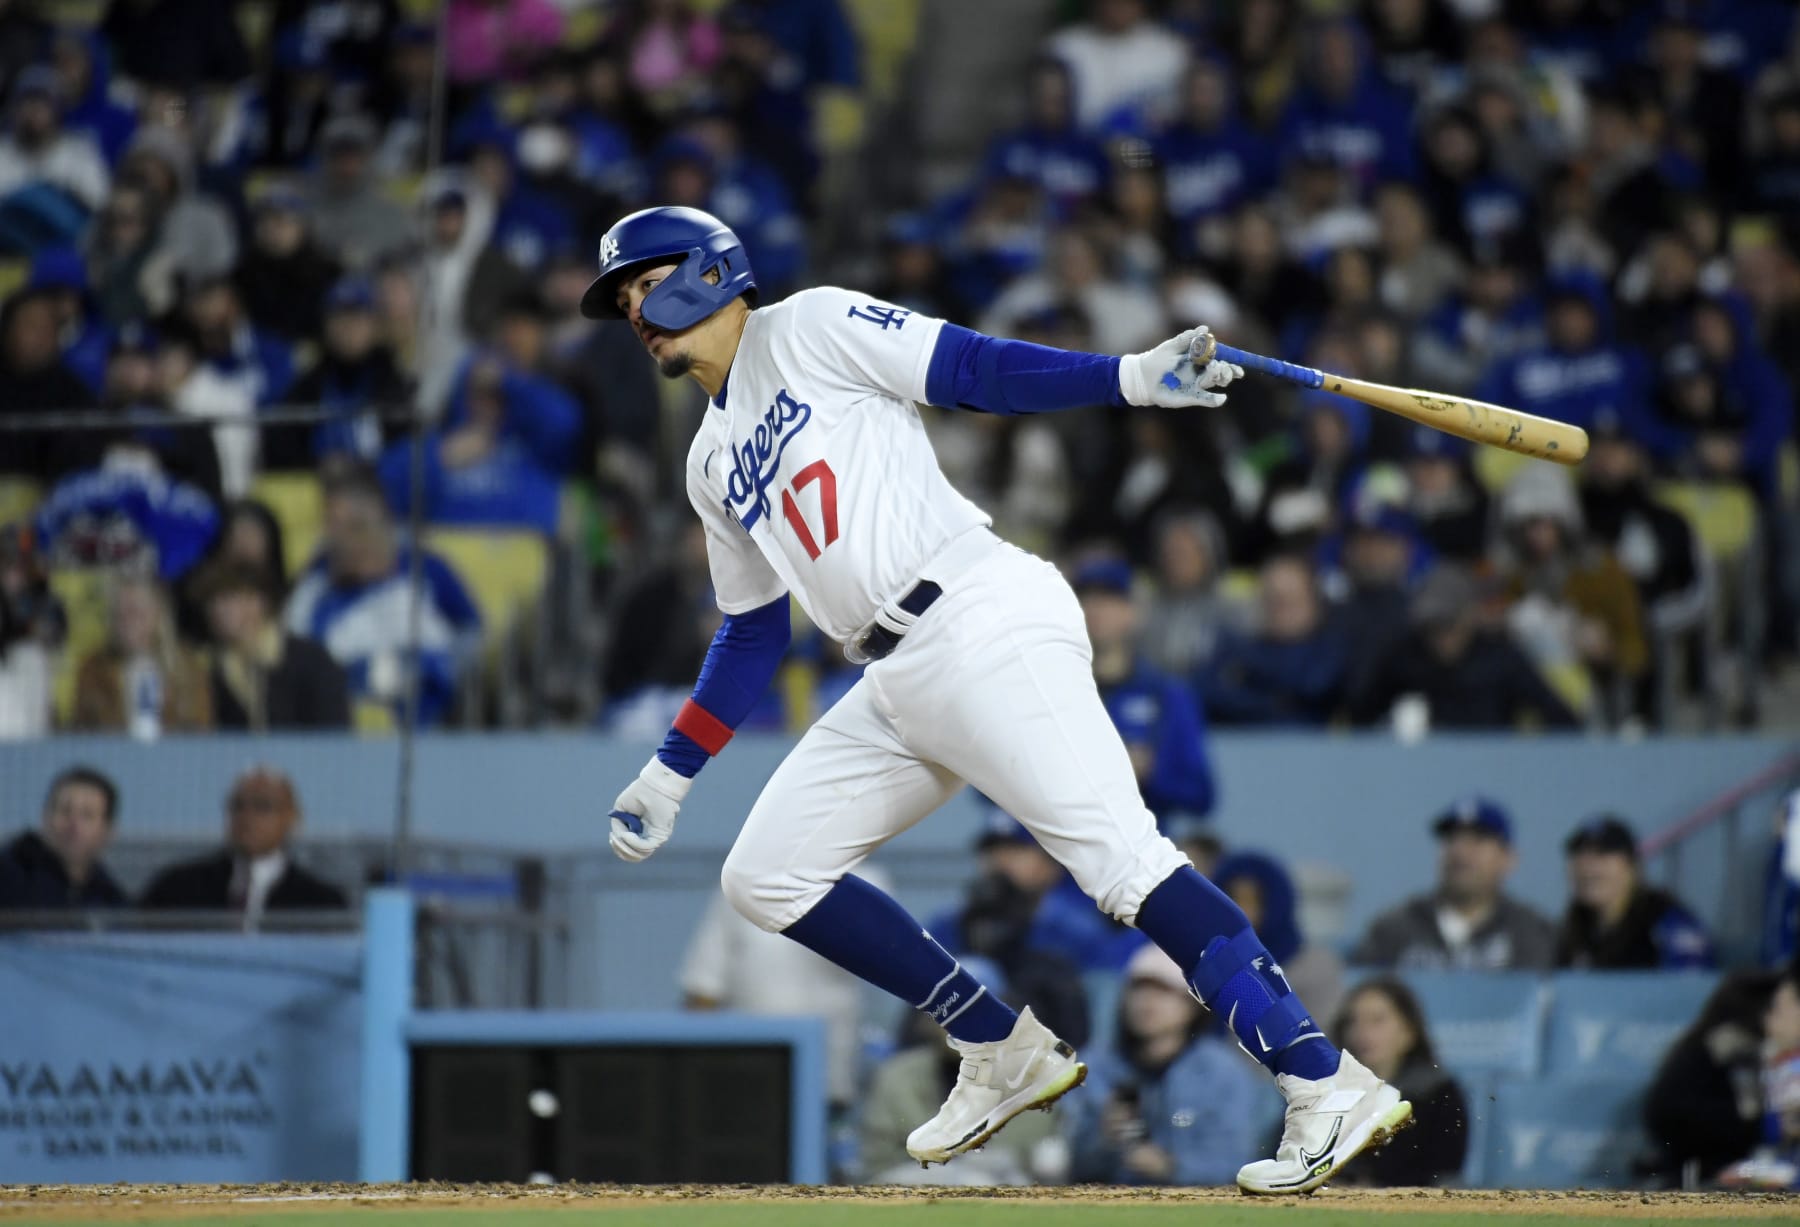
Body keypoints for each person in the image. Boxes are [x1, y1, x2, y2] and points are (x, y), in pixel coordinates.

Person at [589, 205, 1408, 1193]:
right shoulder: (706, 462)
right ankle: (1001, 1049)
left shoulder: (807, 326)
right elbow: (755, 627)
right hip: (893, 675)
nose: (637, 310)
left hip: (978, 614)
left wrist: (1129, 379)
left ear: (712, 273)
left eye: (646, 283)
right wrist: (673, 769)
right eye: (624, 299)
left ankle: (1323, 1078)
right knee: (765, 876)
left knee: (1122, 862)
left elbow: (971, 368)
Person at [284, 465, 481, 726]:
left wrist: (430, 667)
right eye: (330, 525)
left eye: (350, 526)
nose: (335, 538)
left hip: (413, 718)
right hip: (330, 715)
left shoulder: (426, 568)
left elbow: (471, 630)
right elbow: (291, 643)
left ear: (378, 519)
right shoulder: (317, 578)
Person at [1062, 944, 1264, 1186]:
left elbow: (1235, 1163)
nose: (1147, 1002)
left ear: (1192, 1006)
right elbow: (1069, 1164)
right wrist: (1103, 1140)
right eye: (1139, 989)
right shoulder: (1094, 1067)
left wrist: (1170, 1167)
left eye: (1164, 991)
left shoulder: (1222, 1074)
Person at [926, 812, 1100, 1045]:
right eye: (992, 850)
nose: (1001, 862)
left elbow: (1096, 1024)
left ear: (1051, 864)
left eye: (1016, 849)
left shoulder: (1079, 932)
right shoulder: (948, 925)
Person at [1351, 564, 1581, 732]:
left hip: (1493, 767)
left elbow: (1563, 719)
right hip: (1424, 770)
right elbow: (1362, 715)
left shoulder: (1500, 659)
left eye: (1447, 624)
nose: (1440, 637)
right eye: (1431, 627)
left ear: (1468, 617)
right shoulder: (1407, 658)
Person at [1073, 557, 1215, 820]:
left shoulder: (1167, 695)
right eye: (1083, 598)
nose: (1093, 609)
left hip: (1141, 848)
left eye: (1109, 598)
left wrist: (1150, 771)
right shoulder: (1055, 691)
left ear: (1133, 611)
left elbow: (1201, 794)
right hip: (1059, 852)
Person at [1353, 797, 1558, 971]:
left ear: (1508, 858)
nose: (1460, 852)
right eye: (1451, 839)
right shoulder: (1394, 930)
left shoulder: (1532, 933)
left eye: (1477, 840)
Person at [141, 766, 347, 916]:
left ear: (292, 819)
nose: (247, 817)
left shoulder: (322, 903)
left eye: (263, 806)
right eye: (237, 806)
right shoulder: (175, 889)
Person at [1643, 970, 1780, 1185]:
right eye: (1774, 1009)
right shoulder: (1729, 1043)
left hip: (1698, 1150)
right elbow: (1749, 1111)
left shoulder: (1710, 1038)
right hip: (1704, 1157)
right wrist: (1764, 1126)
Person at [1330, 978, 1468, 1188]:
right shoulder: (1327, 1093)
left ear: (1408, 1033)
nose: (1362, 1031)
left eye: (1377, 1020)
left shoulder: (1438, 1094)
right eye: (1353, 1021)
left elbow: (1444, 1171)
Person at [197, 560, 349, 731]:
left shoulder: (311, 661)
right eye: (212, 602)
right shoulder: (210, 669)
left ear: (259, 602)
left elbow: (334, 731)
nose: (217, 610)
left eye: (228, 599)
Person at [1200, 553, 1348, 726]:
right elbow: (1207, 692)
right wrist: (1274, 702)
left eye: (1290, 600)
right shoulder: (1234, 647)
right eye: (1273, 600)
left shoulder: (1330, 649)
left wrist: (1249, 677)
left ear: (1313, 602)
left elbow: (1312, 687)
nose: (1280, 609)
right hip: (1241, 743)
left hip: (1308, 744)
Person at [1557, 816, 1716, 970]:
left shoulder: (1665, 922)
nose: (1587, 866)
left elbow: (1691, 988)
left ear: (1632, 866)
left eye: (1601, 854)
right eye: (1578, 855)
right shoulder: (1573, 930)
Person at [1215, 850, 1343, 1029]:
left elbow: (1321, 1037)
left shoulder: (1314, 966)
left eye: (1251, 900)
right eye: (1232, 899)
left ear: (1275, 904)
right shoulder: (1209, 964)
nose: (1240, 910)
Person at [72, 572, 212, 734]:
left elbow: (201, 733)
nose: (127, 622)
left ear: (158, 615)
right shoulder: (93, 669)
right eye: (119, 613)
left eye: (136, 612)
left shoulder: (188, 668)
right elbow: (80, 732)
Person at [0, 766, 127, 910]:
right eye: (65, 811)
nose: (73, 825)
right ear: (45, 817)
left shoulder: (111, 899)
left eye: (87, 815)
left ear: (108, 830)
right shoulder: (7, 876)